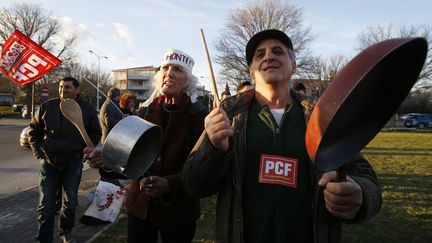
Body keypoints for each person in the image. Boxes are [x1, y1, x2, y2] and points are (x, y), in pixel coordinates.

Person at [182, 29, 382, 243]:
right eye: (260, 55)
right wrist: (214, 149)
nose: (269, 56)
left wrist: (359, 194)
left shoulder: (321, 118)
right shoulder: (228, 115)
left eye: (278, 51)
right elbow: (193, 185)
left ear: (293, 65)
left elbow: (366, 179)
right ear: (251, 71)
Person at [84, 48, 208, 243]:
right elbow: (130, 165)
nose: (169, 73)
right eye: (165, 68)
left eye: (178, 69)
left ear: (189, 81)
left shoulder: (199, 116)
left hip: (178, 211)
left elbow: (202, 170)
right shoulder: (145, 112)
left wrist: (170, 185)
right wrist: (107, 160)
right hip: (140, 208)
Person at [28, 77, 101, 243]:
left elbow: (95, 133)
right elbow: (33, 131)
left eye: (67, 87)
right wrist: (40, 151)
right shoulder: (47, 107)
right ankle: (43, 238)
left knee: (70, 201)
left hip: (73, 162)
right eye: (61, 87)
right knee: (45, 205)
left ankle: (65, 232)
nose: (63, 90)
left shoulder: (87, 108)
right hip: (49, 162)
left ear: (77, 90)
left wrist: (84, 150)